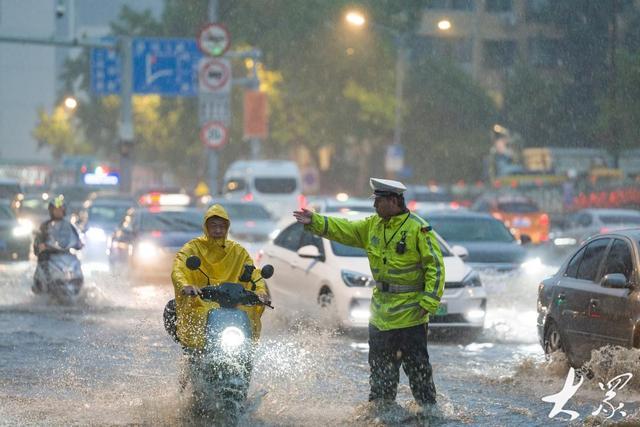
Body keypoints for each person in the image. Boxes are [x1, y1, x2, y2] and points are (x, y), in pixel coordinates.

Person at [293, 178, 445, 408]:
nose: (374, 206)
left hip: (411, 315)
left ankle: (428, 414)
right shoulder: (372, 225)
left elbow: (435, 266)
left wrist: (429, 302)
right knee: (380, 372)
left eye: (379, 201)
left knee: (418, 370)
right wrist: (315, 221)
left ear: (393, 201)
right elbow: (344, 229)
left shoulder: (418, 228)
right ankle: (382, 413)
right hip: (380, 315)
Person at [168, 204, 270, 350]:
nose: (217, 230)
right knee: (198, 316)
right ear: (206, 227)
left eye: (221, 226)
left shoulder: (237, 251)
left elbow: (253, 273)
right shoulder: (193, 248)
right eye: (213, 226)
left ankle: (247, 353)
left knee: (247, 316)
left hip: (234, 304)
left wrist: (260, 291)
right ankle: (197, 354)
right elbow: (179, 269)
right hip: (201, 301)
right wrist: (186, 286)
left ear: (227, 228)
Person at [32, 194, 83, 294]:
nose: (58, 212)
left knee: (76, 262)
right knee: (43, 262)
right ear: (51, 211)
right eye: (55, 209)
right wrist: (41, 245)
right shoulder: (45, 226)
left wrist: (78, 243)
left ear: (64, 211)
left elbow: (75, 238)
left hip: (65, 253)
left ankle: (77, 282)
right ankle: (43, 286)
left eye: (60, 209)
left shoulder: (69, 225)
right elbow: (38, 240)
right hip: (49, 255)